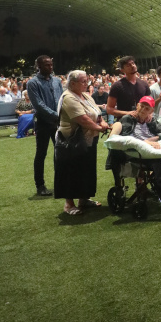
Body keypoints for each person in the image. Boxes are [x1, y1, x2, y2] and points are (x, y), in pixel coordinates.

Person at [54, 70, 110, 215]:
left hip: (89, 139)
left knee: (86, 170)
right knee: (72, 171)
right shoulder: (68, 97)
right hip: (72, 141)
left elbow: (97, 113)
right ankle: (69, 204)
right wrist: (99, 128)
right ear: (72, 83)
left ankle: (83, 199)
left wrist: (102, 122)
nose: (86, 84)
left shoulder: (85, 95)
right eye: (83, 81)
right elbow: (83, 119)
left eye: (87, 81)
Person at [26, 55, 63, 196]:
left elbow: (62, 99)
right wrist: (56, 115)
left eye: (51, 64)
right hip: (43, 122)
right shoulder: (33, 83)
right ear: (39, 66)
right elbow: (38, 105)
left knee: (60, 153)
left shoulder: (57, 81)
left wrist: (62, 114)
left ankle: (60, 182)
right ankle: (40, 185)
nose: (50, 67)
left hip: (58, 122)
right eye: (47, 65)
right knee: (41, 154)